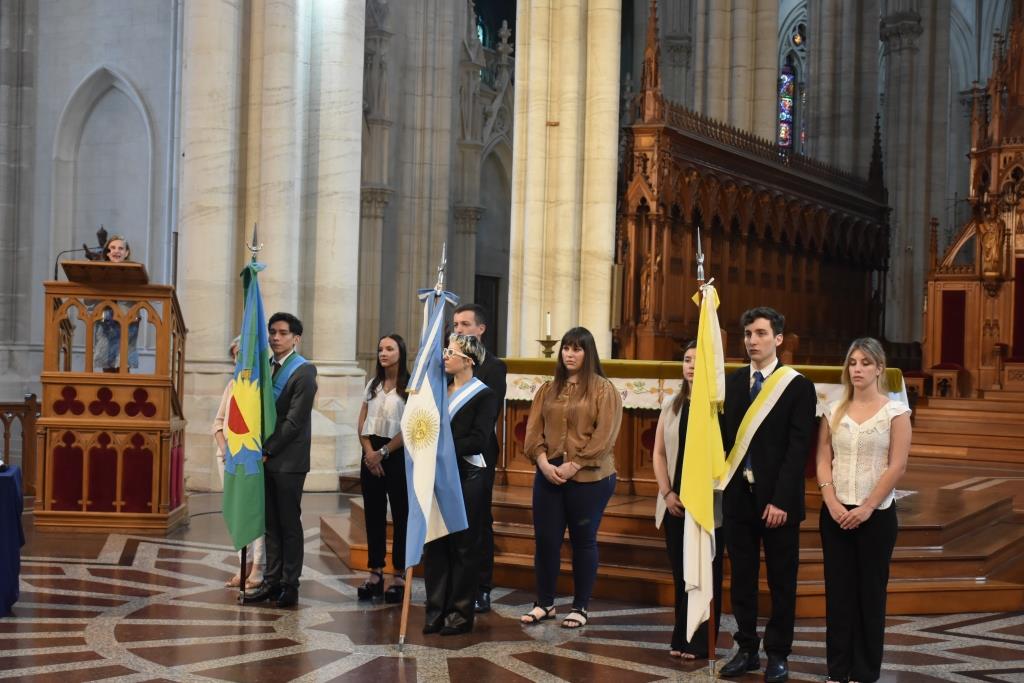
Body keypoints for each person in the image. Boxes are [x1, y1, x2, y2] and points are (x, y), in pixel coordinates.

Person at [719, 307, 816, 683]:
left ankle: (778, 653)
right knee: (741, 578)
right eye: (747, 334)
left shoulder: (796, 386)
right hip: (739, 498)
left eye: (760, 333)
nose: (752, 341)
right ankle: (746, 648)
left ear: (778, 339)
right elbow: (726, 442)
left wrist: (781, 500)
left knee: (781, 581)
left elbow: (798, 451)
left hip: (778, 502)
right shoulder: (731, 382)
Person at [816, 338, 910, 683]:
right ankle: (837, 670)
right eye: (853, 362)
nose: (857, 369)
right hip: (836, 512)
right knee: (838, 594)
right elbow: (823, 458)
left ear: (879, 369)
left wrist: (868, 506)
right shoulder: (833, 409)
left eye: (865, 363)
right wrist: (832, 501)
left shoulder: (895, 412)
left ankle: (865, 671)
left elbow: (897, 465)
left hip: (877, 515)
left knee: (870, 594)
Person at [520, 326, 623, 629]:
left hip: (589, 476)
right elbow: (532, 433)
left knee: (583, 541)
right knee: (547, 541)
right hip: (548, 472)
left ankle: (580, 606)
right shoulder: (547, 389)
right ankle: (545, 603)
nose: (569, 353)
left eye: (576, 349)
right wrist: (543, 463)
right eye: (566, 348)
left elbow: (605, 436)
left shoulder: (604, 389)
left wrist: (574, 465)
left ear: (588, 353)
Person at [423, 334, 499, 635]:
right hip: (438, 475)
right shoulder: (438, 391)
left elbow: (479, 440)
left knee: (464, 547)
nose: (445, 356)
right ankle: (435, 611)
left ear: (468, 360)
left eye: (450, 352)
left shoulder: (484, 395)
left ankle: (459, 614)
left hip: (468, 476)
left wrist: (441, 445)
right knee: (436, 545)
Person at [652, 340, 723, 659]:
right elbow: (658, 452)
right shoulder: (673, 404)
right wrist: (666, 492)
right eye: (686, 359)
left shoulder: (717, 407)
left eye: (697, 359)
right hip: (673, 502)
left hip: (706, 505)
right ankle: (681, 637)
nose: (691, 365)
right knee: (681, 573)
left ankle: (700, 640)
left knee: (706, 572)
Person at [243, 312, 317, 609]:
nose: (275, 337)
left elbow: (294, 421)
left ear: (296, 339)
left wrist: (268, 449)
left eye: (282, 333)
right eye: (272, 332)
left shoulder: (304, 372)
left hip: (288, 461)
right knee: (270, 524)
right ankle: (271, 582)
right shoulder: (267, 368)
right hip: (266, 457)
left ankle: (290, 585)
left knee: (288, 524)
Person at [451, 303, 507, 613]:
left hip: (478, 453)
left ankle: (481, 587)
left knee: (478, 521)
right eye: (456, 324)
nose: (458, 329)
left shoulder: (493, 367)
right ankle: (454, 583)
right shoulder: (446, 362)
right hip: (448, 454)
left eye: (464, 324)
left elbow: (487, 415)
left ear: (480, 330)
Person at [356, 334, 410, 603]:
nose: (383, 353)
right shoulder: (373, 384)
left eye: (389, 348)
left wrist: (384, 453)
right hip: (370, 454)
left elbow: (411, 427)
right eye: (380, 349)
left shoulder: (411, 386)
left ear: (401, 352)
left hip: (397, 454)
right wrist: (369, 453)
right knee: (374, 514)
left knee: (401, 514)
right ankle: (375, 571)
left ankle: (399, 573)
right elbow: (362, 421)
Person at [212, 335, 265, 589]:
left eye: (242, 354)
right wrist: (225, 450)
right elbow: (217, 423)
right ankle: (242, 563)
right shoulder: (232, 385)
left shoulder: (261, 387)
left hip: (253, 458)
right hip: (228, 458)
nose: (237, 359)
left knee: (254, 512)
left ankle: (257, 567)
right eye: (234, 355)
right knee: (235, 511)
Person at [92, 235, 139, 372]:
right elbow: (89, 300)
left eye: (120, 248)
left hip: (125, 321)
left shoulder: (135, 272)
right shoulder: (98, 272)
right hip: (105, 322)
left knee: (123, 366)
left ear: (126, 253)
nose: (116, 251)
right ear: (107, 252)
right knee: (107, 366)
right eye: (112, 248)